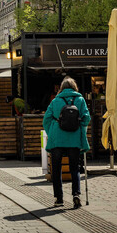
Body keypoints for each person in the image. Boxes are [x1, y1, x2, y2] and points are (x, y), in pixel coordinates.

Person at [43, 76, 91, 208]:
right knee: (74, 168)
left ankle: (59, 199)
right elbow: (87, 118)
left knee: (56, 169)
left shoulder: (55, 101)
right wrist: (80, 128)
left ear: (62, 88)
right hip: (74, 139)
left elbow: (46, 120)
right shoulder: (80, 100)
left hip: (57, 140)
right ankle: (76, 194)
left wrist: (52, 131)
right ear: (75, 87)